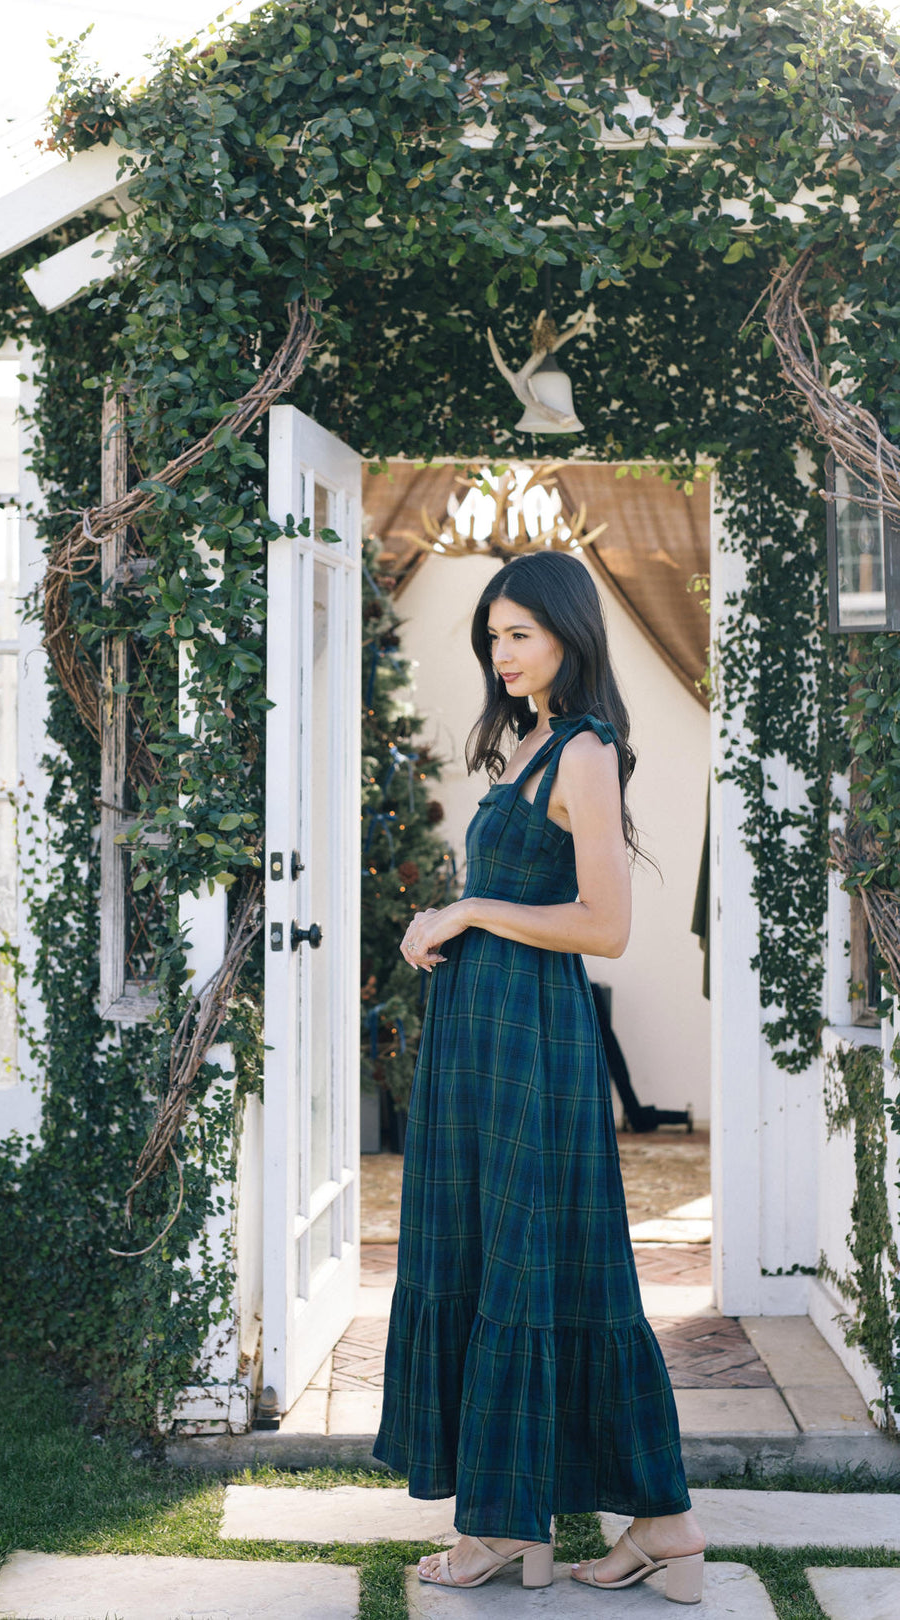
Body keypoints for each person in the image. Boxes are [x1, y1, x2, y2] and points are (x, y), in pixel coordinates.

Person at [371, 550, 706, 1603]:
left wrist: (467, 910)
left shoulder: (588, 751)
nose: (502, 652)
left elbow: (605, 926)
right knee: (493, 1258)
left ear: (568, 630)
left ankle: (644, 1522)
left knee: (555, 1265)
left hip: (531, 1044)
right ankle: (536, 1526)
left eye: (520, 632)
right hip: (486, 1036)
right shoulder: (532, 743)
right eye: (493, 635)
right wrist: (453, 918)